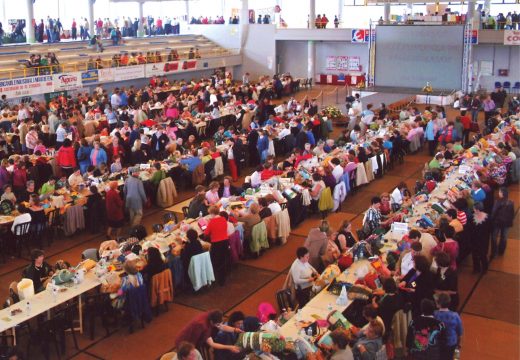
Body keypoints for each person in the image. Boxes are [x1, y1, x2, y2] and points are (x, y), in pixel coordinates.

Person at [174, 310, 241, 353]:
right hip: (184, 341)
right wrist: (230, 347)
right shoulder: (202, 325)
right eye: (217, 324)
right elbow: (212, 344)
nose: (220, 325)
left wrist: (234, 330)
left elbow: (221, 326)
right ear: (211, 322)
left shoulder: (213, 315)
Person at [204, 206, 230, 286]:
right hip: (225, 242)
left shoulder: (211, 222)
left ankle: (218, 279)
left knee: (215, 261)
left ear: (212, 213)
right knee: (222, 260)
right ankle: (223, 277)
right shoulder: (223, 219)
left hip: (216, 244)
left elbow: (206, 234)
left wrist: (209, 223)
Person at [434, 293, 463, 360]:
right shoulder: (455, 315)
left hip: (438, 343)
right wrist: (458, 344)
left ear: (438, 304)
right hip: (451, 343)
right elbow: (460, 332)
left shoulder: (435, 314)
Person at [490, 187, 514, 257]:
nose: (499, 193)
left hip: (497, 222)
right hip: (506, 223)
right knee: (504, 237)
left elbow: (493, 212)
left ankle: (494, 253)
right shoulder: (511, 202)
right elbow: (512, 213)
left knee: (494, 237)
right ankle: (501, 251)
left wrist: (492, 220)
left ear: (502, 193)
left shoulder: (498, 202)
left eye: (500, 192)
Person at [468, 202, 491, 273]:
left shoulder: (472, 218)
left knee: (478, 255)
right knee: (479, 255)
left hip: (478, 240)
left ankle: (480, 269)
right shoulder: (488, 217)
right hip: (481, 240)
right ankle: (481, 269)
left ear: (477, 210)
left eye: (474, 209)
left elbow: (470, 230)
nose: (473, 210)